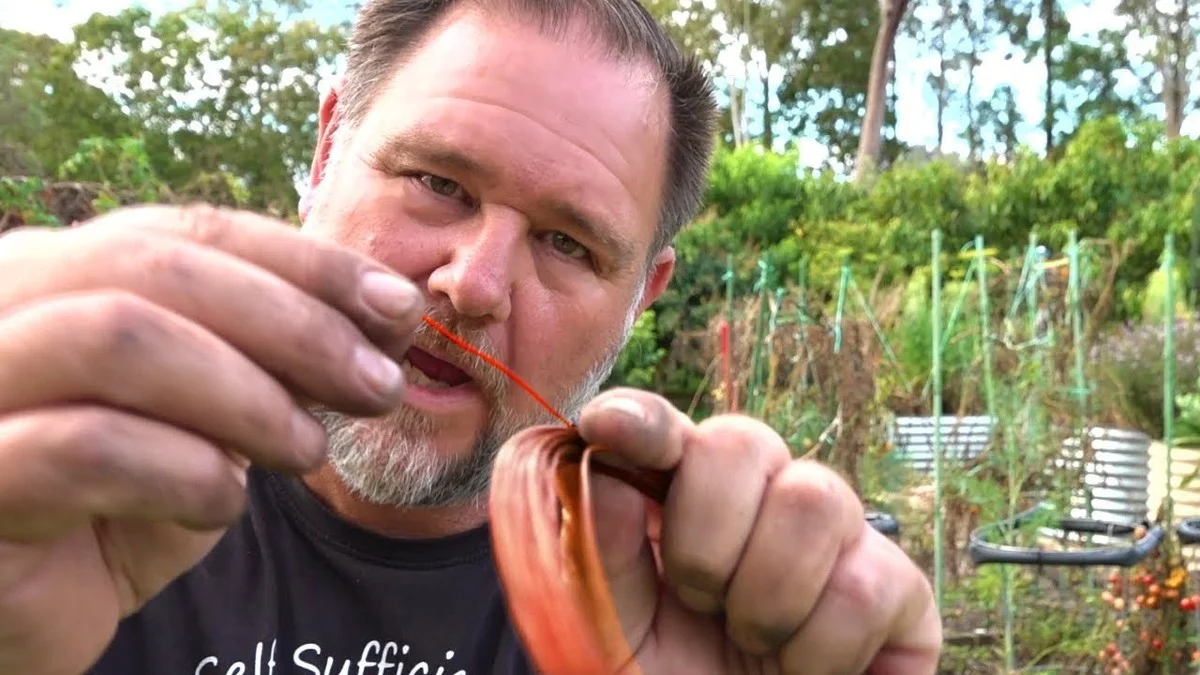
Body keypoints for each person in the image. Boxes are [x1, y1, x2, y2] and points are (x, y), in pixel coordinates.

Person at [0, 0, 942, 673]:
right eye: (438, 182)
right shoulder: (63, 493)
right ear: (327, 152)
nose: (475, 284)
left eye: (568, 243)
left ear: (642, 297)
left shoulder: (665, 612)